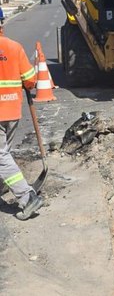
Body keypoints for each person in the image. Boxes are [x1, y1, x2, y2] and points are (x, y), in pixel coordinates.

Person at [0, 16, 44, 220]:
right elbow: (30, 80)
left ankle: (27, 197)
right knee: (3, 154)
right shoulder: (15, 47)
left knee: (1, 157)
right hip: (12, 113)